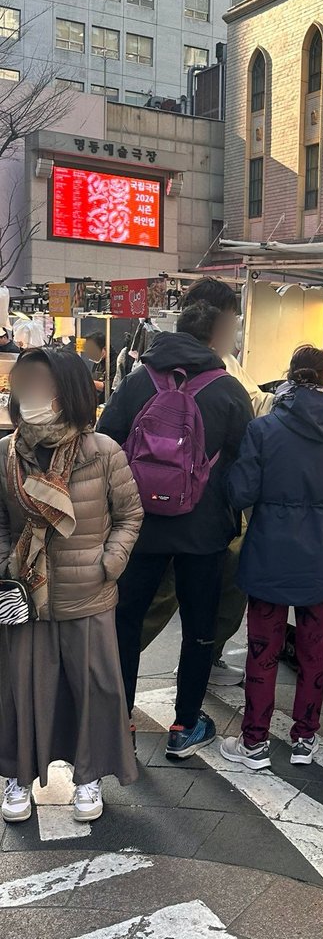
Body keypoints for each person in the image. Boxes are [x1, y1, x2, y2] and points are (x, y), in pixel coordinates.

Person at [98, 301, 253, 759]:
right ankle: (185, 725)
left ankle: (119, 721)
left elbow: (105, 442)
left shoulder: (137, 380)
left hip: (138, 526)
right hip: (202, 533)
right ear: (218, 334)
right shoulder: (229, 389)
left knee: (125, 620)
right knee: (199, 624)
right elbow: (245, 465)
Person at [0, 348, 143, 824]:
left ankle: (89, 778)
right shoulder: (5, 454)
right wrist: (6, 564)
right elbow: (1, 522)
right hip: (26, 598)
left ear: (70, 393)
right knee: (21, 689)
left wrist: (111, 561)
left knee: (94, 690)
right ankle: (17, 777)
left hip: (89, 593)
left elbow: (129, 516)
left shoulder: (103, 452)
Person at [221, 345, 323, 770]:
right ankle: (305, 737)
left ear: (290, 375)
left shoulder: (263, 430)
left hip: (269, 551)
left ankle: (254, 743)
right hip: (320, 554)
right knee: (314, 649)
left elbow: (241, 492)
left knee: (263, 650)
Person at [138, 277, 273, 686]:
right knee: (201, 607)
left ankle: (105, 679)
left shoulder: (141, 371)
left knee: (143, 604)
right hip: (206, 520)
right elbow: (248, 449)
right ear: (218, 322)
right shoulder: (225, 380)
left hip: (146, 514)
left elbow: (111, 438)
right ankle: (188, 714)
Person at [84, 332, 117, 396]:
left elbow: (111, 387)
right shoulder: (98, 361)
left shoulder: (115, 362)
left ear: (105, 348)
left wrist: (88, 382)